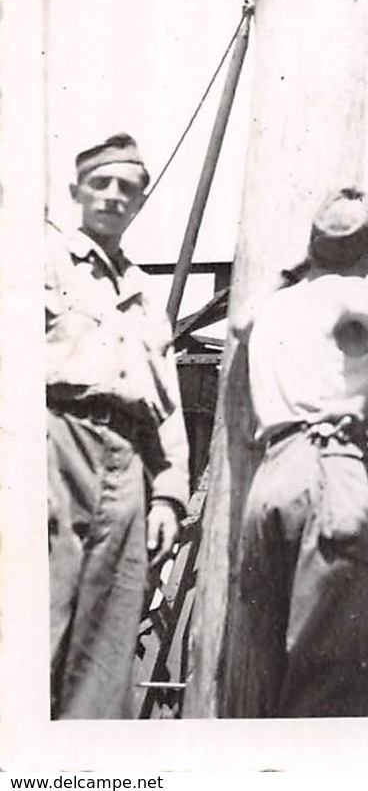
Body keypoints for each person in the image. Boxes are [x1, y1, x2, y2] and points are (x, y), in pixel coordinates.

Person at [227, 187, 368, 718]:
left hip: (271, 476)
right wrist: (366, 403)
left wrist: (301, 265)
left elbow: (238, 323)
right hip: (328, 466)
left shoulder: (273, 305)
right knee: (341, 673)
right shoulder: (347, 291)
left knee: (278, 671)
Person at [46, 133, 189, 719]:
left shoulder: (145, 296)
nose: (112, 197)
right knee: (37, 616)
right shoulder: (41, 262)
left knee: (107, 647)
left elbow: (169, 407)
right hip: (56, 442)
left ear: (139, 202)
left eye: (127, 189)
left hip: (128, 463)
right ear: (76, 191)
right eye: (101, 184)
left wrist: (170, 497)